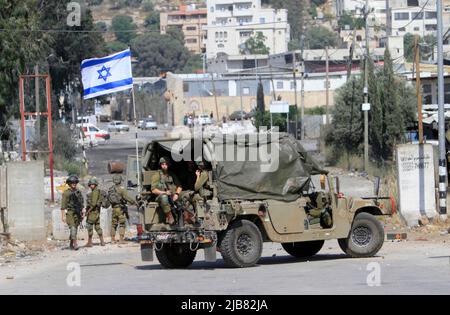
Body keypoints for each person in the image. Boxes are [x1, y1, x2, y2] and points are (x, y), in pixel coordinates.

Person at [151, 157, 182, 225]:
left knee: (185, 196)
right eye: (163, 164)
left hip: (172, 195)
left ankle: (186, 217)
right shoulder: (157, 175)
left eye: (166, 164)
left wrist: (177, 194)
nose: (164, 166)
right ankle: (170, 216)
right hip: (160, 196)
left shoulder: (171, 174)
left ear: (168, 165)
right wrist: (164, 192)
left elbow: (179, 186)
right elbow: (153, 190)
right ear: (160, 165)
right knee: (164, 197)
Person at [108, 174, 136, 244]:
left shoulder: (111, 188)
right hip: (120, 209)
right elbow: (126, 197)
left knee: (113, 224)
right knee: (122, 224)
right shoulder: (122, 188)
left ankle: (112, 239)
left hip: (114, 208)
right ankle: (121, 239)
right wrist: (134, 202)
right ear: (120, 180)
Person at [61, 175, 84, 250]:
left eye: (75, 182)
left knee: (75, 228)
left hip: (78, 212)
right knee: (73, 228)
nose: (74, 184)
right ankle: (75, 244)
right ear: (69, 183)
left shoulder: (78, 192)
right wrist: (63, 216)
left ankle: (71, 243)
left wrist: (82, 212)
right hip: (70, 213)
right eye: (72, 182)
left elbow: (81, 203)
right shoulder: (66, 193)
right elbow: (63, 206)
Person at [85, 177, 105, 247]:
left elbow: (93, 204)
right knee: (97, 227)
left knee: (89, 226)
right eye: (90, 184)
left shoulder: (95, 192)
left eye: (92, 184)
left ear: (95, 185)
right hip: (97, 212)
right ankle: (102, 242)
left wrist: (88, 212)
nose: (91, 186)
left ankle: (89, 242)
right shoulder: (97, 191)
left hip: (93, 212)